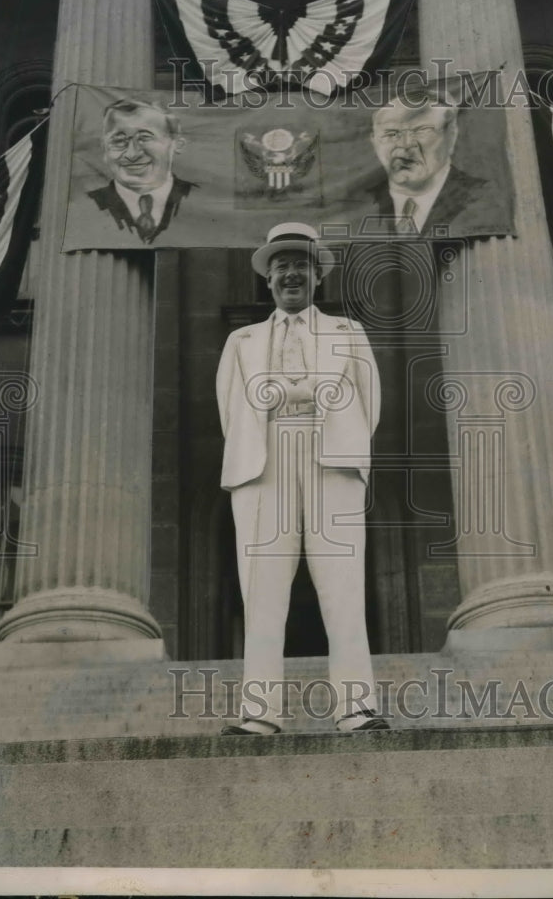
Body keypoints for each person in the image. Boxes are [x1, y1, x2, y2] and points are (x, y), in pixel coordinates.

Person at [216, 221, 389, 735]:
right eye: (281, 266)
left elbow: (369, 402)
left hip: (330, 457)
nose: (290, 274)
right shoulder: (241, 341)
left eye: (301, 266)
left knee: (342, 586)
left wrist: (333, 438)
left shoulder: (347, 332)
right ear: (267, 280)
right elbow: (231, 411)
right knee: (262, 592)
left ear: (317, 277)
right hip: (264, 464)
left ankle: (356, 709)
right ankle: (260, 713)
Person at [367, 101, 509, 239]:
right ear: (374, 142)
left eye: (421, 131)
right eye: (391, 134)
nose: (405, 145)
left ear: (451, 136)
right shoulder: (358, 203)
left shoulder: (486, 198)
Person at [86, 99, 196, 243]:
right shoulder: (85, 205)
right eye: (118, 141)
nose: (132, 154)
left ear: (177, 145)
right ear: (104, 148)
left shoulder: (204, 200)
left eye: (145, 138)